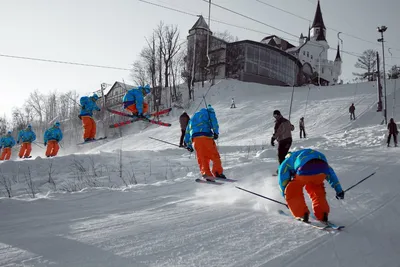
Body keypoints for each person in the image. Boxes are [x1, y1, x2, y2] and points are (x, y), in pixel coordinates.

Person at [278, 148, 345, 222]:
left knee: (293, 189)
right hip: (322, 168)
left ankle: (302, 214)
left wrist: (287, 198)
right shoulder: (306, 154)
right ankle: (322, 214)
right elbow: (331, 173)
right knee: (316, 189)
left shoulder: (288, 161)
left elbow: (283, 180)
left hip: (304, 169)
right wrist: (338, 190)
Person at [184, 104, 226, 181]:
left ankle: (206, 173)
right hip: (206, 137)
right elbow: (214, 121)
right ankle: (217, 172)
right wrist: (216, 132)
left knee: (202, 157)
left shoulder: (192, 118)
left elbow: (187, 132)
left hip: (196, 139)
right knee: (214, 155)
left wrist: (189, 145)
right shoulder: (209, 111)